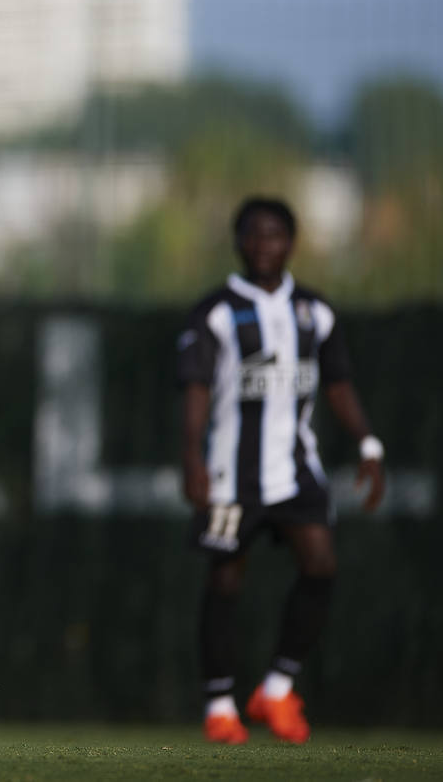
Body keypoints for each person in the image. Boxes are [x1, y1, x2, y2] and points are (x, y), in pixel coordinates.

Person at [176, 196, 386, 745]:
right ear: (238, 242)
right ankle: (220, 705)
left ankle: (275, 689)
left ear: (291, 243)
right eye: (253, 235)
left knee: (320, 565)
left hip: (295, 470)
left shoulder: (316, 311)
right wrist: (192, 457)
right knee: (224, 578)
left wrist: (369, 444)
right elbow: (196, 388)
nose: (263, 245)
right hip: (229, 476)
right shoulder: (216, 311)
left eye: (274, 235)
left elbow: (338, 381)